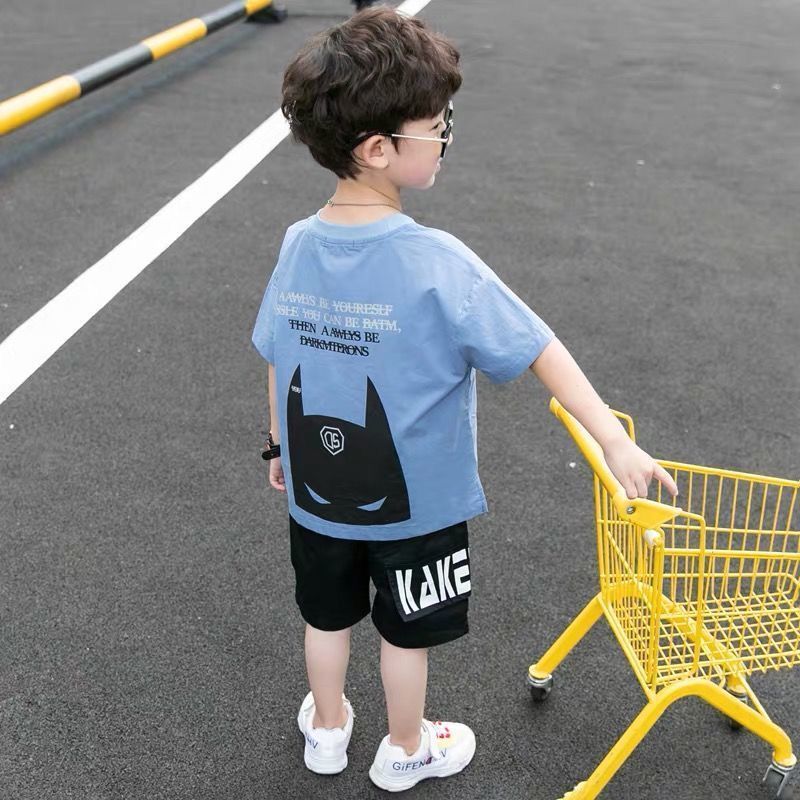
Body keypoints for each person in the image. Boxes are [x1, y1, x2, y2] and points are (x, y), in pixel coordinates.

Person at [251, 6, 678, 792]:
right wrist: (614, 440)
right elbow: (538, 346)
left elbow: (280, 353)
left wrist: (279, 444)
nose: (446, 134)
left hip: (317, 491)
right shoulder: (435, 260)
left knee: (325, 617)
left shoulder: (297, 243)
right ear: (379, 149)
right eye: (436, 123)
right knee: (404, 635)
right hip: (416, 502)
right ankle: (406, 746)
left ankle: (330, 729)